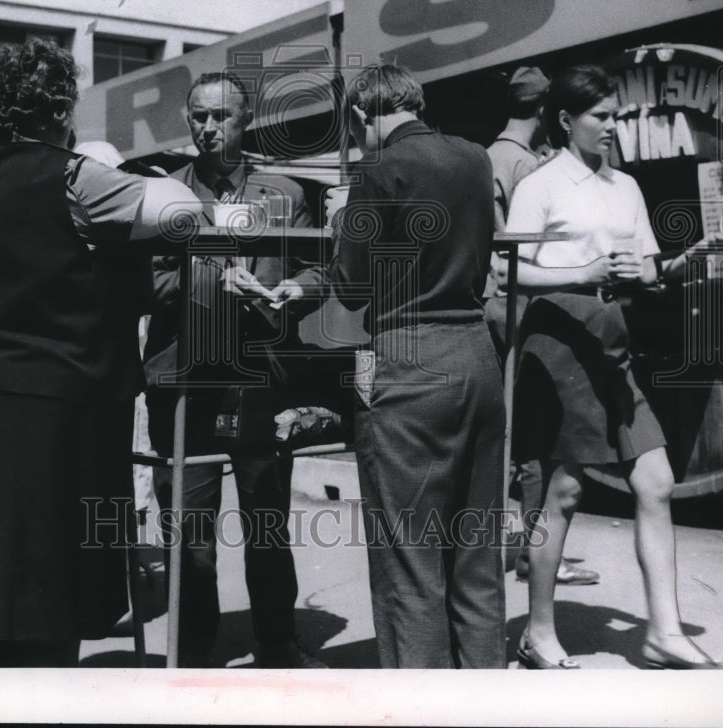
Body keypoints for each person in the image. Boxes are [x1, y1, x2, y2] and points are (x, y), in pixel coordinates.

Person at [0, 39, 200, 667]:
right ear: (63, 107)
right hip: (49, 422)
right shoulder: (76, 175)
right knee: (43, 614)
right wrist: (133, 175)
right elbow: (183, 211)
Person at [506, 64, 717, 670]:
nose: (611, 128)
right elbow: (505, 273)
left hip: (613, 347)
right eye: (601, 116)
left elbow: (646, 271)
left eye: (617, 116)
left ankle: (664, 633)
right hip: (558, 347)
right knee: (563, 493)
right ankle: (538, 632)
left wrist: (680, 264)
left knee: (656, 481)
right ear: (567, 120)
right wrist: (584, 273)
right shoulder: (540, 185)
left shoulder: (625, 187)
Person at [143, 70, 327, 669]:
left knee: (267, 521)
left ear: (246, 121)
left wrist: (292, 291)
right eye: (198, 115)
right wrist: (213, 280)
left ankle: (276, 642)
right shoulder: (162, 195)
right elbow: (150, 280)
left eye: (220, 116)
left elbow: (318, 270)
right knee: (189, 530)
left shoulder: (286, 195)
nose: (207, 127)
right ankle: (193, 652)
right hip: (185, 379)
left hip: (261, 375)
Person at [327, 64, 506, 669]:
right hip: (478, 355)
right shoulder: (476, 158)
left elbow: (351, 287)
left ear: (360, 116)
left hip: (408, 363)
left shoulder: (377, 171)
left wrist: (339, 227)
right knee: (476, 559)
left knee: (410, 566)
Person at [483, 66, 599, 588]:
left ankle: (515, 547)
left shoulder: (494, 156)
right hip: (518, 304)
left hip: (495, 302)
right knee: (537, 433)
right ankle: (536, 551)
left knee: (514, 430)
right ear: (549, 110)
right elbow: (514, 250)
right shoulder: (529, 165)